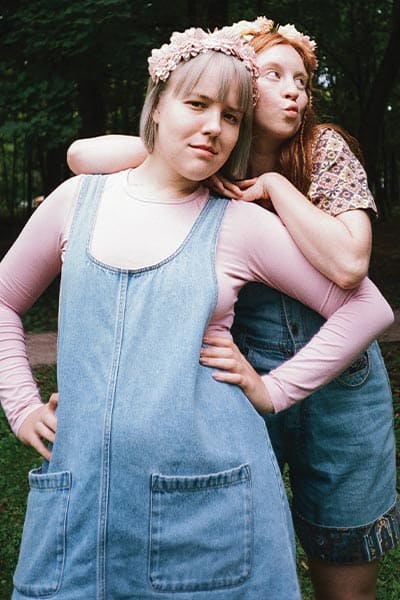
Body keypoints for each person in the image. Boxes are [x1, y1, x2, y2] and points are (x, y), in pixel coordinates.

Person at [0, 26, 394, 600]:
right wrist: (19, 405)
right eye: (197, 104)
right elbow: (5, 297)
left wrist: (276, 389)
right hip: (81, 505)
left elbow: (364, 304)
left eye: (231, 116)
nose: (214, 126)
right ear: (156, 105)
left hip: (213, 506)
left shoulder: (241, 219)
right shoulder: (77, 199)